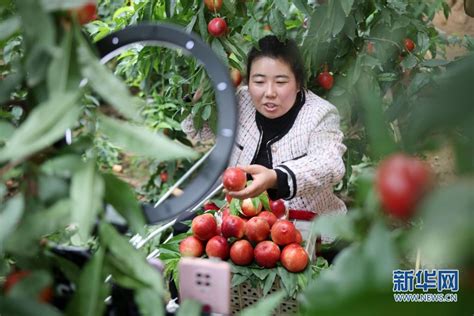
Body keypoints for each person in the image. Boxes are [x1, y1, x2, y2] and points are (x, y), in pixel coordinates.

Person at [182, 35, 347, 243]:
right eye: (259, 81)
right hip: (242, 226)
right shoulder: (240, 101)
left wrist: (276, 177)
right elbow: (197, 130)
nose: (269, 93)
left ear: (298, 83)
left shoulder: (320, 114)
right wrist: (201, 97)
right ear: (247, 81)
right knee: (183, 227)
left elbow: (330, 163)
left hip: (304, 231)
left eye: (281, 82)